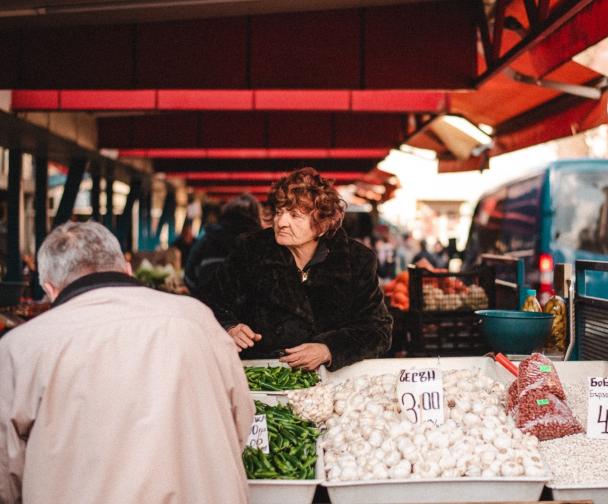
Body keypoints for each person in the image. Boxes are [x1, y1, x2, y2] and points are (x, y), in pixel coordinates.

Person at [0, 221, 252, 504]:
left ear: (50, 288)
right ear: (126, 269)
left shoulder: (20, 347)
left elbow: (6, 473)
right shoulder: (197, 319)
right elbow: (240, 417)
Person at [208, 167, 392, 371]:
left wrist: (329, 349)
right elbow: (210, 304)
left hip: (329, 386)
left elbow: (378, 329)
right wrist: (229, 327)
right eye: (279, 211)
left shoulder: (356, 261)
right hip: (259, 377)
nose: (281, 222)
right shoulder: (250, 250)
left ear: (322, 224)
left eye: (295, 215)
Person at [185, 193, 262, 301]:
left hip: (208, 304)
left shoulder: (208, 237)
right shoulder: (261, 241)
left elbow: (189, 273)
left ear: (227, 212)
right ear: (256, 215)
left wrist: (198, 293)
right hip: (246, 310)